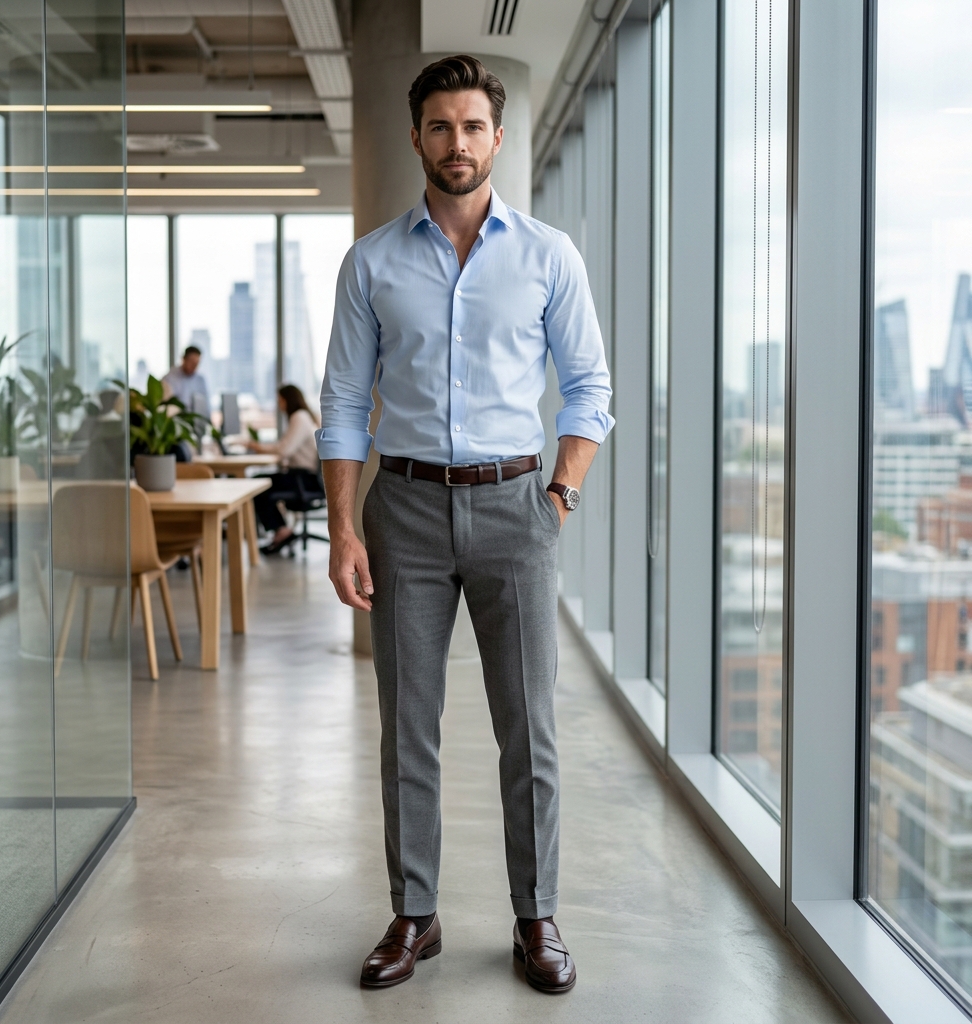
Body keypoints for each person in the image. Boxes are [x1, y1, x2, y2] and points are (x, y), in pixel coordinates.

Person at [317, 55, 614, 994]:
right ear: (417, 137)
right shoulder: (371, 260)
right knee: (408, 725)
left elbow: (589, 388)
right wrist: (343, 528)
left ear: (498, 136)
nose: (457, 142)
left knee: (529, 727)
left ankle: (537, 917)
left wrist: (558, 495)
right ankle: (416, 914)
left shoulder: (547, 255)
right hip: (400, 508)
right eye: (440, 126)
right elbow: (342, 404)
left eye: (473, 126)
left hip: (515, 505)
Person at [246, 384, 321, 555]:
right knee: (259, 481)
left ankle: (281, 531)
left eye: (280, 400)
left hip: (303, 478)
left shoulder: (299, 417)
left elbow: (284, 450)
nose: (279, 405)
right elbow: (286, 448)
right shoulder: (302, 416)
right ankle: (280, 530)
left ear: (287, 400)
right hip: (301, 476)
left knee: (257, 485)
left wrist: (259, 447)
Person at [162, 345, 209, 411]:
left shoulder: (200, 380)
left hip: (195, 419)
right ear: (183, 359)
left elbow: (205, 405)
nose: (194, 366)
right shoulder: (169, 378)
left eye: (196, 364)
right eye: (191, 362)